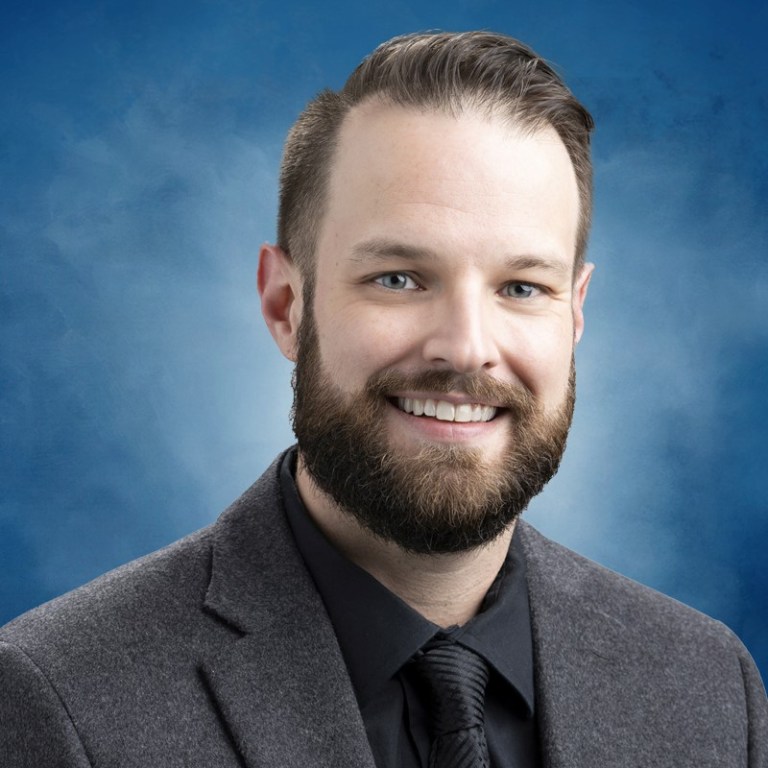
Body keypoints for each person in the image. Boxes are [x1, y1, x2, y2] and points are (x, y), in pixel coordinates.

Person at [1, 30, 765, 768]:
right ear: (286, 305)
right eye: (399, 278)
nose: (465, 347)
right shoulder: (57, 697)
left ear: (574, 314)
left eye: (522, 287)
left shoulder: (709, 688)